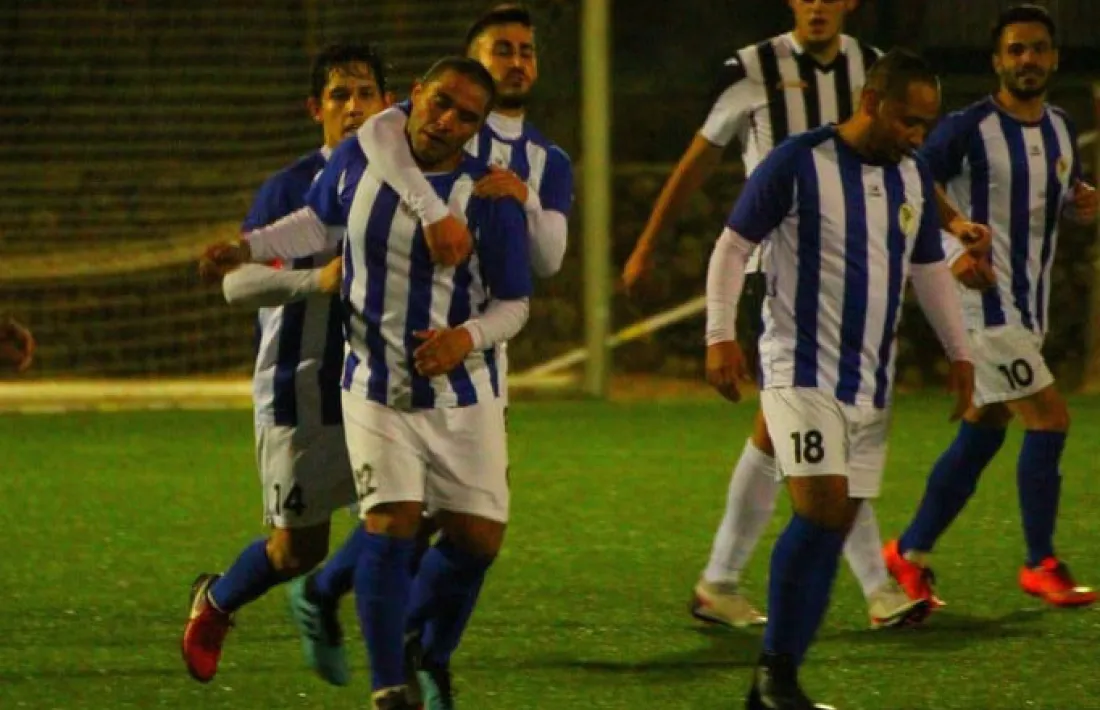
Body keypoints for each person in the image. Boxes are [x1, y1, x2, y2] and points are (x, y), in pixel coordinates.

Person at [232, 56, 530, 710]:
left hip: (465, 393)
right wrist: (247, 249)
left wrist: (464, 338)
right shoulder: (363, 159)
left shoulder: (491, 195)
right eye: (440, 103)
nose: (447, 120)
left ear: (478, 128)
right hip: (374, 386)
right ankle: (390, 684)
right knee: (391, 523)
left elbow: (515, 302)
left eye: (465, 116)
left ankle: (404, 638)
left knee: (476, 540)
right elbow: (317, 222)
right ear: (415, 98)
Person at [623, 0, 929, 629]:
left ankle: (719, 582)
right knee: (823, 422)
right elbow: (700, 157)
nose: (816, 3)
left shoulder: (874, 68)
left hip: (858, 270)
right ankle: (878, 588)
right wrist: (649, 244)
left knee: (783, 433)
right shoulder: (751, 68)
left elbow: (907, 160)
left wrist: (948, 227)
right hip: (781, 268)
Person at [705, 49, 974, 709]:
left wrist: (960, 352)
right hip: (797, 365)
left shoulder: (911, 178)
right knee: (822, 506)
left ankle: (780, 680)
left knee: (837, 517)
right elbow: (734, 244)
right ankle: (773, 674)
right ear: (870, 103)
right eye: (908, 121)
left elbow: (928, 266)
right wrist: (718, 336)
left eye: (926, 125)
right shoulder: (799, 160)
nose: (917, 136)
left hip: (868, 379)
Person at [181, 42, 393, 685]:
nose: (353, 108)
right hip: (298, 392)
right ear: (315, 109)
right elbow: (234, 285)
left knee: (406, 520)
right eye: (339, 96)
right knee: (294, 549)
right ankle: (217, 601)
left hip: (380, 389)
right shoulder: (290, 188)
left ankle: (390, 650)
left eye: (365, 94)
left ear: (388, 104)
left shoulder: (400, 179)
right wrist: (312, 283)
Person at [885, 3, 1098, 609]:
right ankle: (1041, 561)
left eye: (1037, 49)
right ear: (997, 61)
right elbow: (910, 180)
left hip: (1029, 303)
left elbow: (1058, 195)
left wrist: (1080, 202)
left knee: (985, 430)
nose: (1027, 60)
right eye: (1015, 50)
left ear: (1053, 59)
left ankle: (909, 552)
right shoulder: (965, 128)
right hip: (982, 305)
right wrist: (952, 247)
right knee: (1050, 418)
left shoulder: (1060, 126)